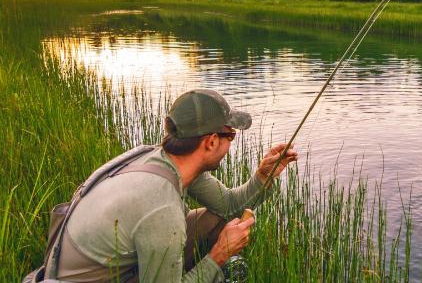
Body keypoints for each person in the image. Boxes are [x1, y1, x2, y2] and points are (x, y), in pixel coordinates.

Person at [48, 89, 298, 282]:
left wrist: (264, 176)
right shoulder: (161, 207)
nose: (231, 144)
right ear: (211, 141)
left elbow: (228, 206)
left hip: (103, 264)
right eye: (230, 136)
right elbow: (160, 215)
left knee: (210, 219)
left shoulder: (160, 158)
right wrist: (219, 254)